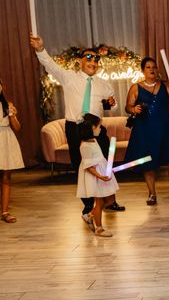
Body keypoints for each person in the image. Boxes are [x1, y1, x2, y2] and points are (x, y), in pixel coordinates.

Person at [29, 35, 126, 226]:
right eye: (89, 57)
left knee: (104, 164)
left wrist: (112, 104)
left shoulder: (103, 83)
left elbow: (111, 105)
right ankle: (88, 206)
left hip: (97, 129)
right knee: (82, 166)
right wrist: (40, 48)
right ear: (80, 61)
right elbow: (49, 65)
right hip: (75, 128)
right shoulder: (69, 77)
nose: (93, 61)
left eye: (96, 59)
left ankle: (110, 200)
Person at [124, 57, 169, 205]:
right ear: (143, 70)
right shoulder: (136, 87)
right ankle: (152, 194)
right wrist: (133, 109)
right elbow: (127, 107)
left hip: (163, 130)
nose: (152, 69)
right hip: (144, 131)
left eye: (154, 67)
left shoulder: (165, 85)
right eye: (148, 67)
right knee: (149, 164)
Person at [76, 114, 119, 238]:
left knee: (111, 200)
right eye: (98, 126)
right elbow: (89, 167)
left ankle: (90, 215)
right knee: (99, 202)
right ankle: (99, 229)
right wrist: (100, 176)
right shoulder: (85, 146)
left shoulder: (93, 140)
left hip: (103, 172)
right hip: (95, 176)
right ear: (92, 128)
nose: (100, 129)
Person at [0, 79, 24, 223]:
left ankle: (5, 211)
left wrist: (12, 115)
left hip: (6, 139)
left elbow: (17, 127)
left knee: (6, 177)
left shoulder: (7, 105)